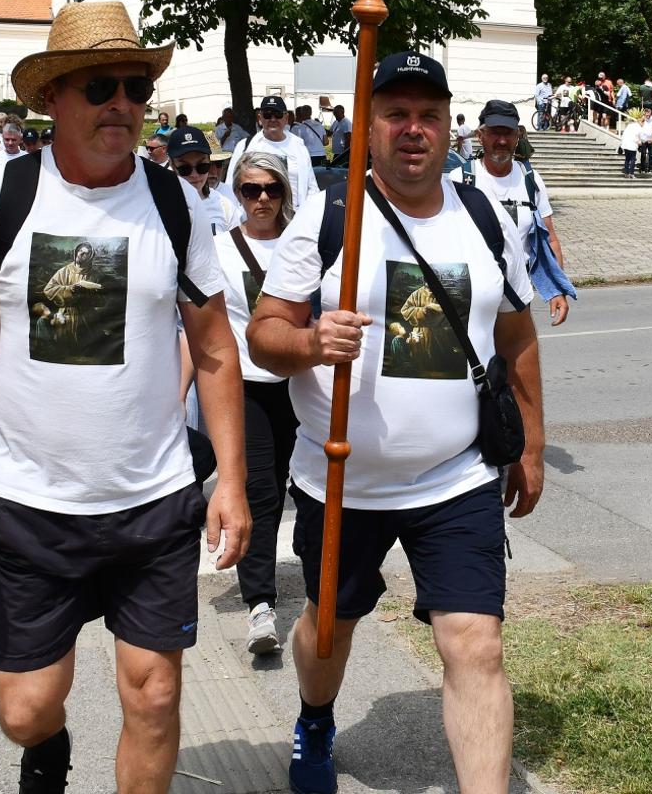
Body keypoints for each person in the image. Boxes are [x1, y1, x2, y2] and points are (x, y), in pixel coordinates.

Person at [0, 0, 251, 794]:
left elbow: (213, 348)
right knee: (26, 710)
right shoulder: (3, 197)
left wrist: (229, 480)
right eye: (102, 86)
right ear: (54, 99)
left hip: (155, 502)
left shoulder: (174, 202)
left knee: (155, 694)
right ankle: (47, 749)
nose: (123, 105)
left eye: (135, 87)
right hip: (34, 504)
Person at [249, 50, 544, 794]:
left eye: (428, 116)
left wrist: (529, 448)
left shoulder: (479, 215)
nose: (413, 130)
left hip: (457, 476)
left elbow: (516, 337)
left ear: (449, 129)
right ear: (368, 128)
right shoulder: (327, 213)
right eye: (396, 115)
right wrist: (311, 341)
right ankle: (315, 719)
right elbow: (264, 334)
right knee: (326, 630)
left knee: (474, 644)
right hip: (341, 478)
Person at [206, 152, 299, 655]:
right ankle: (260, 603)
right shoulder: (219, 249)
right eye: (249, 190)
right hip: (247, 384)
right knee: (259, 490)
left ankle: (328, 582)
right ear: (236, 193)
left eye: (271, 189)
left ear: (285, 193)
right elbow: (201, 329)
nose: (261, 199)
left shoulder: (305, 244)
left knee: (311, 486)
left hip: (305, 382)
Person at [449, 101, 573, 327]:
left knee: (517, 360)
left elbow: (550, 238)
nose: (502, 141)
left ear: (518, 136)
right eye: (495, 133)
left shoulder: (530, 180)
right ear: (480, 135)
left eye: (508, 133)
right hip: (471, 300)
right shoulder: (460, 180)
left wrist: (557, 289)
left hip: (517, 299)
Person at [226, 95, 319, 211]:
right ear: (260, 118)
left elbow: (312, 187)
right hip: (257, 219)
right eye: (267, 115)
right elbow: (231, 186)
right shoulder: (245, 146)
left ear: (286, 118)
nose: (273, 119)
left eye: (278, 114)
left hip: (294, 218)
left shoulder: (299, 147)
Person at [168, 125, 239, 234]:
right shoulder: (156, 207)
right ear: (172, 165)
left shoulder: (225, 206)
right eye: (184, 168)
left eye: (202, 166)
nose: (194, 175)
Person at [293, 104, 328, 170]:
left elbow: (297, 145)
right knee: (323, 176)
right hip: (322, 155)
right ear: (311, 113)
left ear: (301, 113)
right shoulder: (319, 125)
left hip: (309, 156)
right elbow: (326, 142)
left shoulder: (299, 128)